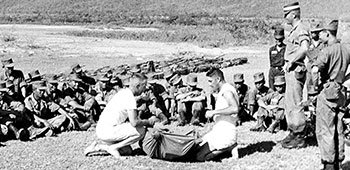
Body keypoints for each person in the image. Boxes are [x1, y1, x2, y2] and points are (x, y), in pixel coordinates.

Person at [84, 73, 157, 159]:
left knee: (127, 151)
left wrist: (141, 98)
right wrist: (149, 121)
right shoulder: (130, 98)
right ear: (138, 86)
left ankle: (99, 147)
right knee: (141, 130)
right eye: (143, 86)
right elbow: (134, 122)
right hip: (108, 131)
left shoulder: (124, 92)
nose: (145, 88)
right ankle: (113, 147)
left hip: (102, 130)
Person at [312, 20, 350, 170]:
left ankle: (328, 164)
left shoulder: (326, 51)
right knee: (338, 128)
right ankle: (339, 160)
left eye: (320, 33)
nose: (319, 36)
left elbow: (315, 70)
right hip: (341, 91)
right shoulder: (346, 49)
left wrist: (316, 87)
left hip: (327, 91)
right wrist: (344, 80)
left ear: (327, 33)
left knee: (325, 128)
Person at [281, 2, 310, 149]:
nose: (285, 17)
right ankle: (293, 130)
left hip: (296, 68)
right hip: (291, 69)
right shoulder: (294, 30)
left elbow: (304, 48)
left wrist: (291, 61)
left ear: (294, 14)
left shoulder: (301, 29)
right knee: (290, 102)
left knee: (296, 102)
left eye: (286, 14)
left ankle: (299, 135)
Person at [195, 68, 239, 161]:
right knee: (196, 146)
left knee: (199, 157)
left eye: (211, 81)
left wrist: (214, 112)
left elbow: (234, 108)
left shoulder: (227, 91)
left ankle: (228, 148)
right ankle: (229, 147)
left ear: (218, 79)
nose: (209, 84)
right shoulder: (224, 90)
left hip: (226, 133)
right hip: (219, 131)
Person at [306, 21, 325, 95]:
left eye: (315, 32)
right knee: (310, 87)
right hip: (310, 67)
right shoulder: (308, 43)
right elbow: (306, 53)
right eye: (312, 32)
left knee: (320, 87)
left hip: (320, 66)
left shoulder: (323, 42)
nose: (313, 34)